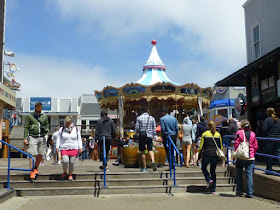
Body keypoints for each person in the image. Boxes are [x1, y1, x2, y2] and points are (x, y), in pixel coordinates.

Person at [24, 102, 49, 181]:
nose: (38, 109)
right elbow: (26, 127)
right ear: (35, 107)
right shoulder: (30, 116)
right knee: (33, 153)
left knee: (41, 153)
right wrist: (25, 138)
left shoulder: (44, 116)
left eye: (40, 107)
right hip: (32, 136)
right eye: (37, 107)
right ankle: (32, 171)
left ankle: (35, 168)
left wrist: (46, 134)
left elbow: (47, 126)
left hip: (42, 136)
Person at [234, 120, 258, 198]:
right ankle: (249, 193)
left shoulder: (239, 133)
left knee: (239, 174)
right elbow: (256, 146)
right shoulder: (253, 134)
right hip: (250, 157)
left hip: (241, 156)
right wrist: (252, 153)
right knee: (249, 175)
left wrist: (236, 152)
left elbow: (236, 143)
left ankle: (240, 191)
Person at [198, 120, 223, 194]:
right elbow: (220, 146)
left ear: (207, 126)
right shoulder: (218, 134)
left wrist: (199, 156)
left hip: (206, 153)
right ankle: (213, 190)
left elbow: (201, 146)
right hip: (214, 154)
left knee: (203, 167)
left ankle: (209, 180)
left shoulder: (205, 134)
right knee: (213, 171)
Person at [56, 116, 82, 181]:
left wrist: (80, 147)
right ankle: (65, 172)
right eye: (66, 123)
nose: (67, 124)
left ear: (71, 122)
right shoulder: (62, 129)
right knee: (65, 161)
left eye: (68, 123)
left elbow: (79, 139)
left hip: (74, 147)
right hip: (64, 147)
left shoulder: (76, 129)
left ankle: (70, 174)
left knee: (71, 162)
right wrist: (57, 146)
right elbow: (59, 138)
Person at [135, 106, 157, 172]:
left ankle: (144, 167)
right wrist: (153, 135)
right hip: (149, 136)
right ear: (147, 110)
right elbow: (154, 129)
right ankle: (153, 161)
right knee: (150, 149)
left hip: (142, 136)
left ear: (141, 111)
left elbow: (137, 128)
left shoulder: (139, 118)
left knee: (142, 151)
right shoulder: (152, 118)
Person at [262, 107, 280, 174]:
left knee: (268, 154)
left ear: (267, 113)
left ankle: (269, 169)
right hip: (278, 139)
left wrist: (266, 135)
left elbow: (264, 129)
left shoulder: (267, 120)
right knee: (278, 154)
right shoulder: (278, 120)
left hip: (270, 139)